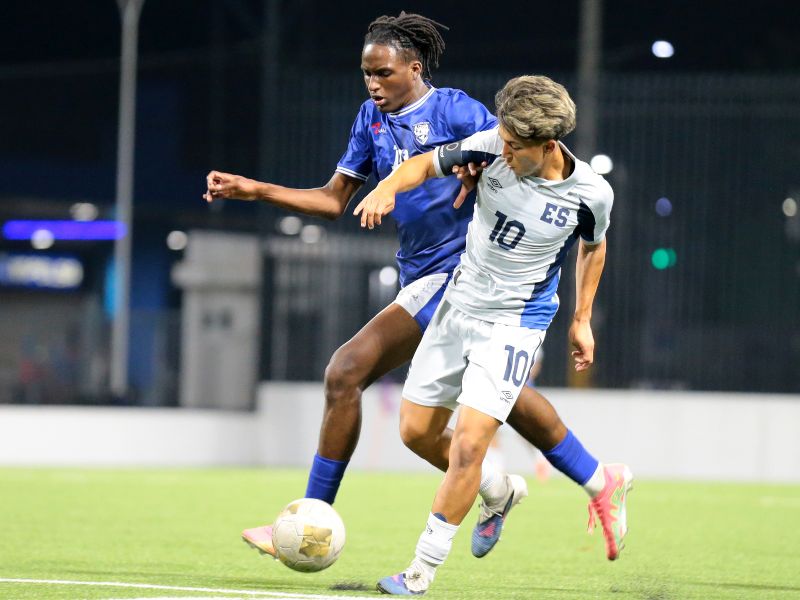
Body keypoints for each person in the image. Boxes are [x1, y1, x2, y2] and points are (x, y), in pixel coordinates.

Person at [205, 13, 610, 561]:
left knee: (345, 371)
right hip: (418, 275)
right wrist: (257, 192)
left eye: (383, 73)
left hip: (463, 272)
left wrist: (470, 172)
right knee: (495, 398)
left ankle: (309, 518)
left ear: (413, 68)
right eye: (366, 74)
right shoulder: (370, 121)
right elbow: (331, 201)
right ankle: (538, 483)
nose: (372, 84)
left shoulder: (457, 110)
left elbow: (508, 156)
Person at [353, 75, 633, 595]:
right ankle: (499, 491)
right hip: (457, 307)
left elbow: (593, 247)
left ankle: (420, 572)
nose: (500, 148)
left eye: (513, 146)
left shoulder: (591, 193)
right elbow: (422, 163)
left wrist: (581, 319)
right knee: (415, 432)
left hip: (513, 326)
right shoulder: (491, 146)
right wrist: (387, 187)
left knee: (468, 444)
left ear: (548, 146)